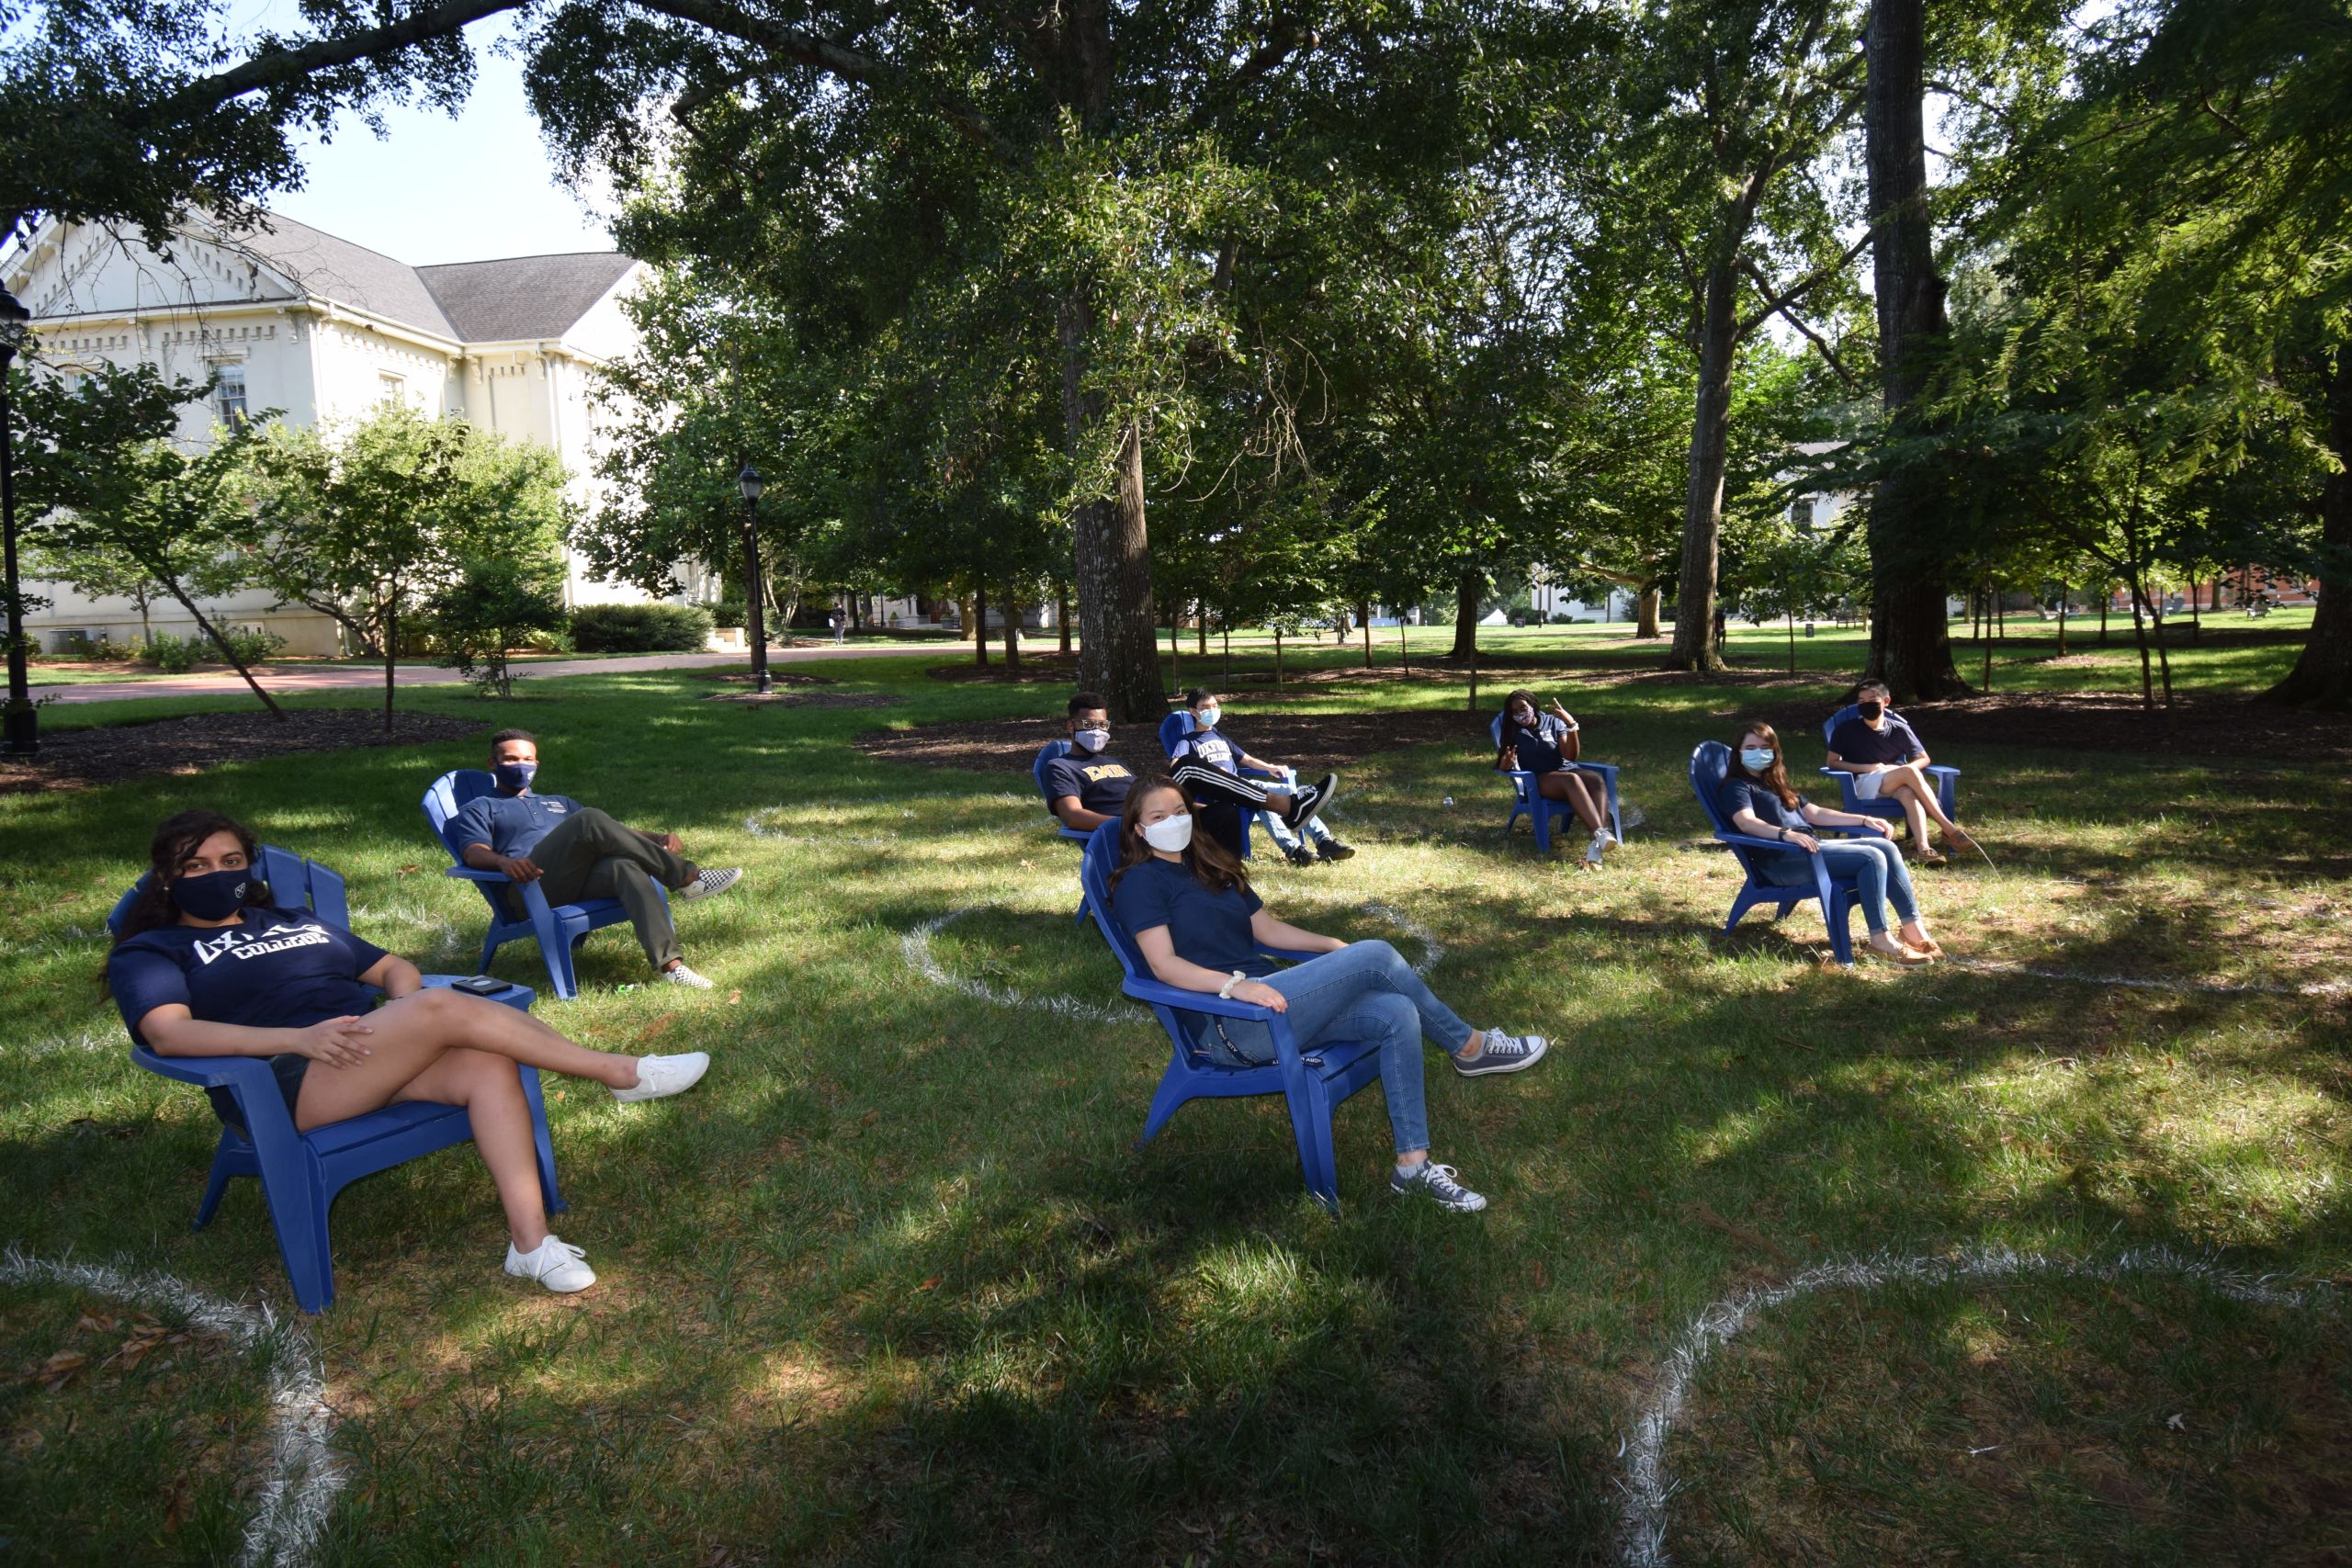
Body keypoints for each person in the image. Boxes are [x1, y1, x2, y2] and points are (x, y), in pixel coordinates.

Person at [107, 810, 709, 1294]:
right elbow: (170, 1033)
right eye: (198, 864)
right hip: (281, 1079)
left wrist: (399, 1014)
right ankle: (620, 1072)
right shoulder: (154, 949)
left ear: (248, 867)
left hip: (369, 1052)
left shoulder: (290, 918)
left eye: (231, 860)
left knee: (486, 1063)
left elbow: (393, 967)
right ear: (167, 877)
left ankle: (530, 1245)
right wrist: (297, 1039)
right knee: (437, 1009)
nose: (217, 872)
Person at [1110, 780, 1547, 1213]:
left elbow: (1265, 930)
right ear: (1138, 830)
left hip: (1273, 1000)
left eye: (1181, 811)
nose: (1174, 821)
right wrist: (1234, 986)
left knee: (1396, 1010)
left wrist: (1331, 945)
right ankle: (1471, 1047)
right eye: (1159, 816)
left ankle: (1412, 1166)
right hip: (1235, 1023)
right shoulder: (1140, 882)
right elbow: (1163, 964)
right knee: (1376, 954)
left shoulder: (1210, 864)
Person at [452, 729, 742, 989]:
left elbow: (609, 830)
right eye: (511, 759)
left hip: (575, 880)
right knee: (588, 817)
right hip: (529, 887)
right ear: (492, 763)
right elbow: (472, 851)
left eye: (528, 759)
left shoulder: (557, 802)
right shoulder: (481, 807)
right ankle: (688, 878)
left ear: (537, 764)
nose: (521, 766)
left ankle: (672, 968)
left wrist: (655, 837)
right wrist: (504, 862)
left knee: (624, 867)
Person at [1720, 723, 1942, 965]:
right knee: (1871, 857)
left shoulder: (1774, 783)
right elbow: (1746, 822)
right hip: (1781, 861)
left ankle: (1914, 932)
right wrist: (1786, 834)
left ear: (1774, 752)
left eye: (1765, 747)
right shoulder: (1737, 786)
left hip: (1808, 851)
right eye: (1750, 747)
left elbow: (1815, 814)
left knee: (1887, 847)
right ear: (1739, 752)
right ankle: (1880, 941)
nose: (1758, 752)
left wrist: (1865, 819)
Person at [1044, 692, 1340, 856]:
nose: (1097, 731)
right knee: (1185, 764)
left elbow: (1142, 795)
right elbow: (1074, 816)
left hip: (1156, 814)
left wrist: (1195, 809)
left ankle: (1229, 886)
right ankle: (1287, 806)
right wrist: (1129, 823)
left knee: (1223, 812)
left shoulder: (1115, 761)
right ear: (1071, 727)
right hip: (1136, 830)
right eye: (1088, 725)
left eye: (1103, 725)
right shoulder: (1061, 767)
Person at [1170, 686, 1356, 867]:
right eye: (1205, 708)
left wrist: (1269, 767)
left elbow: (1247, 759)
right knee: (1281, 793)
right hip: (1222, 792)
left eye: (1215, 706)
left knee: (1277, 796)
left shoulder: (1220, 737)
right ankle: (1311, 843)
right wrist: (1214, 773)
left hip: (1244, 786)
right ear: (1193, 712)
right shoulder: (1187, 741)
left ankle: (1309, 845)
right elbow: (1178, 765)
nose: (1212, 711)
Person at [1825, 680, 1977, 866]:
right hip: (1862, 783)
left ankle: (1924, 849)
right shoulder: (1845, 730)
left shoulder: (1899, 729)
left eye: (1872, 699)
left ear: (1886, 701)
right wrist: (1867, 768)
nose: (1866, 704)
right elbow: (1832, 763)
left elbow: (1923, 758)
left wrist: (1900, 771)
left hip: (1893, 780)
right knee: (1908, 772)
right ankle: (1949, 830)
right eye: (1861, 701)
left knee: (1909, 793)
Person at [1494, 688, 1617, 868]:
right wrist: (1506, 762)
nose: (1520, 714)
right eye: (1514, 712)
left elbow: (1570, 756)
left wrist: (1571, 724)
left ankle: (1596, 844)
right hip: (1539, 779)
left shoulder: (1552, 722)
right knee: (1572, 780)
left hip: (1566, 770)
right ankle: (1600, 833)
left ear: (1533, 705)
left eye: (1523, 708)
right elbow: (1502, 765)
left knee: (1595, 779)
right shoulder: (1513, 731)